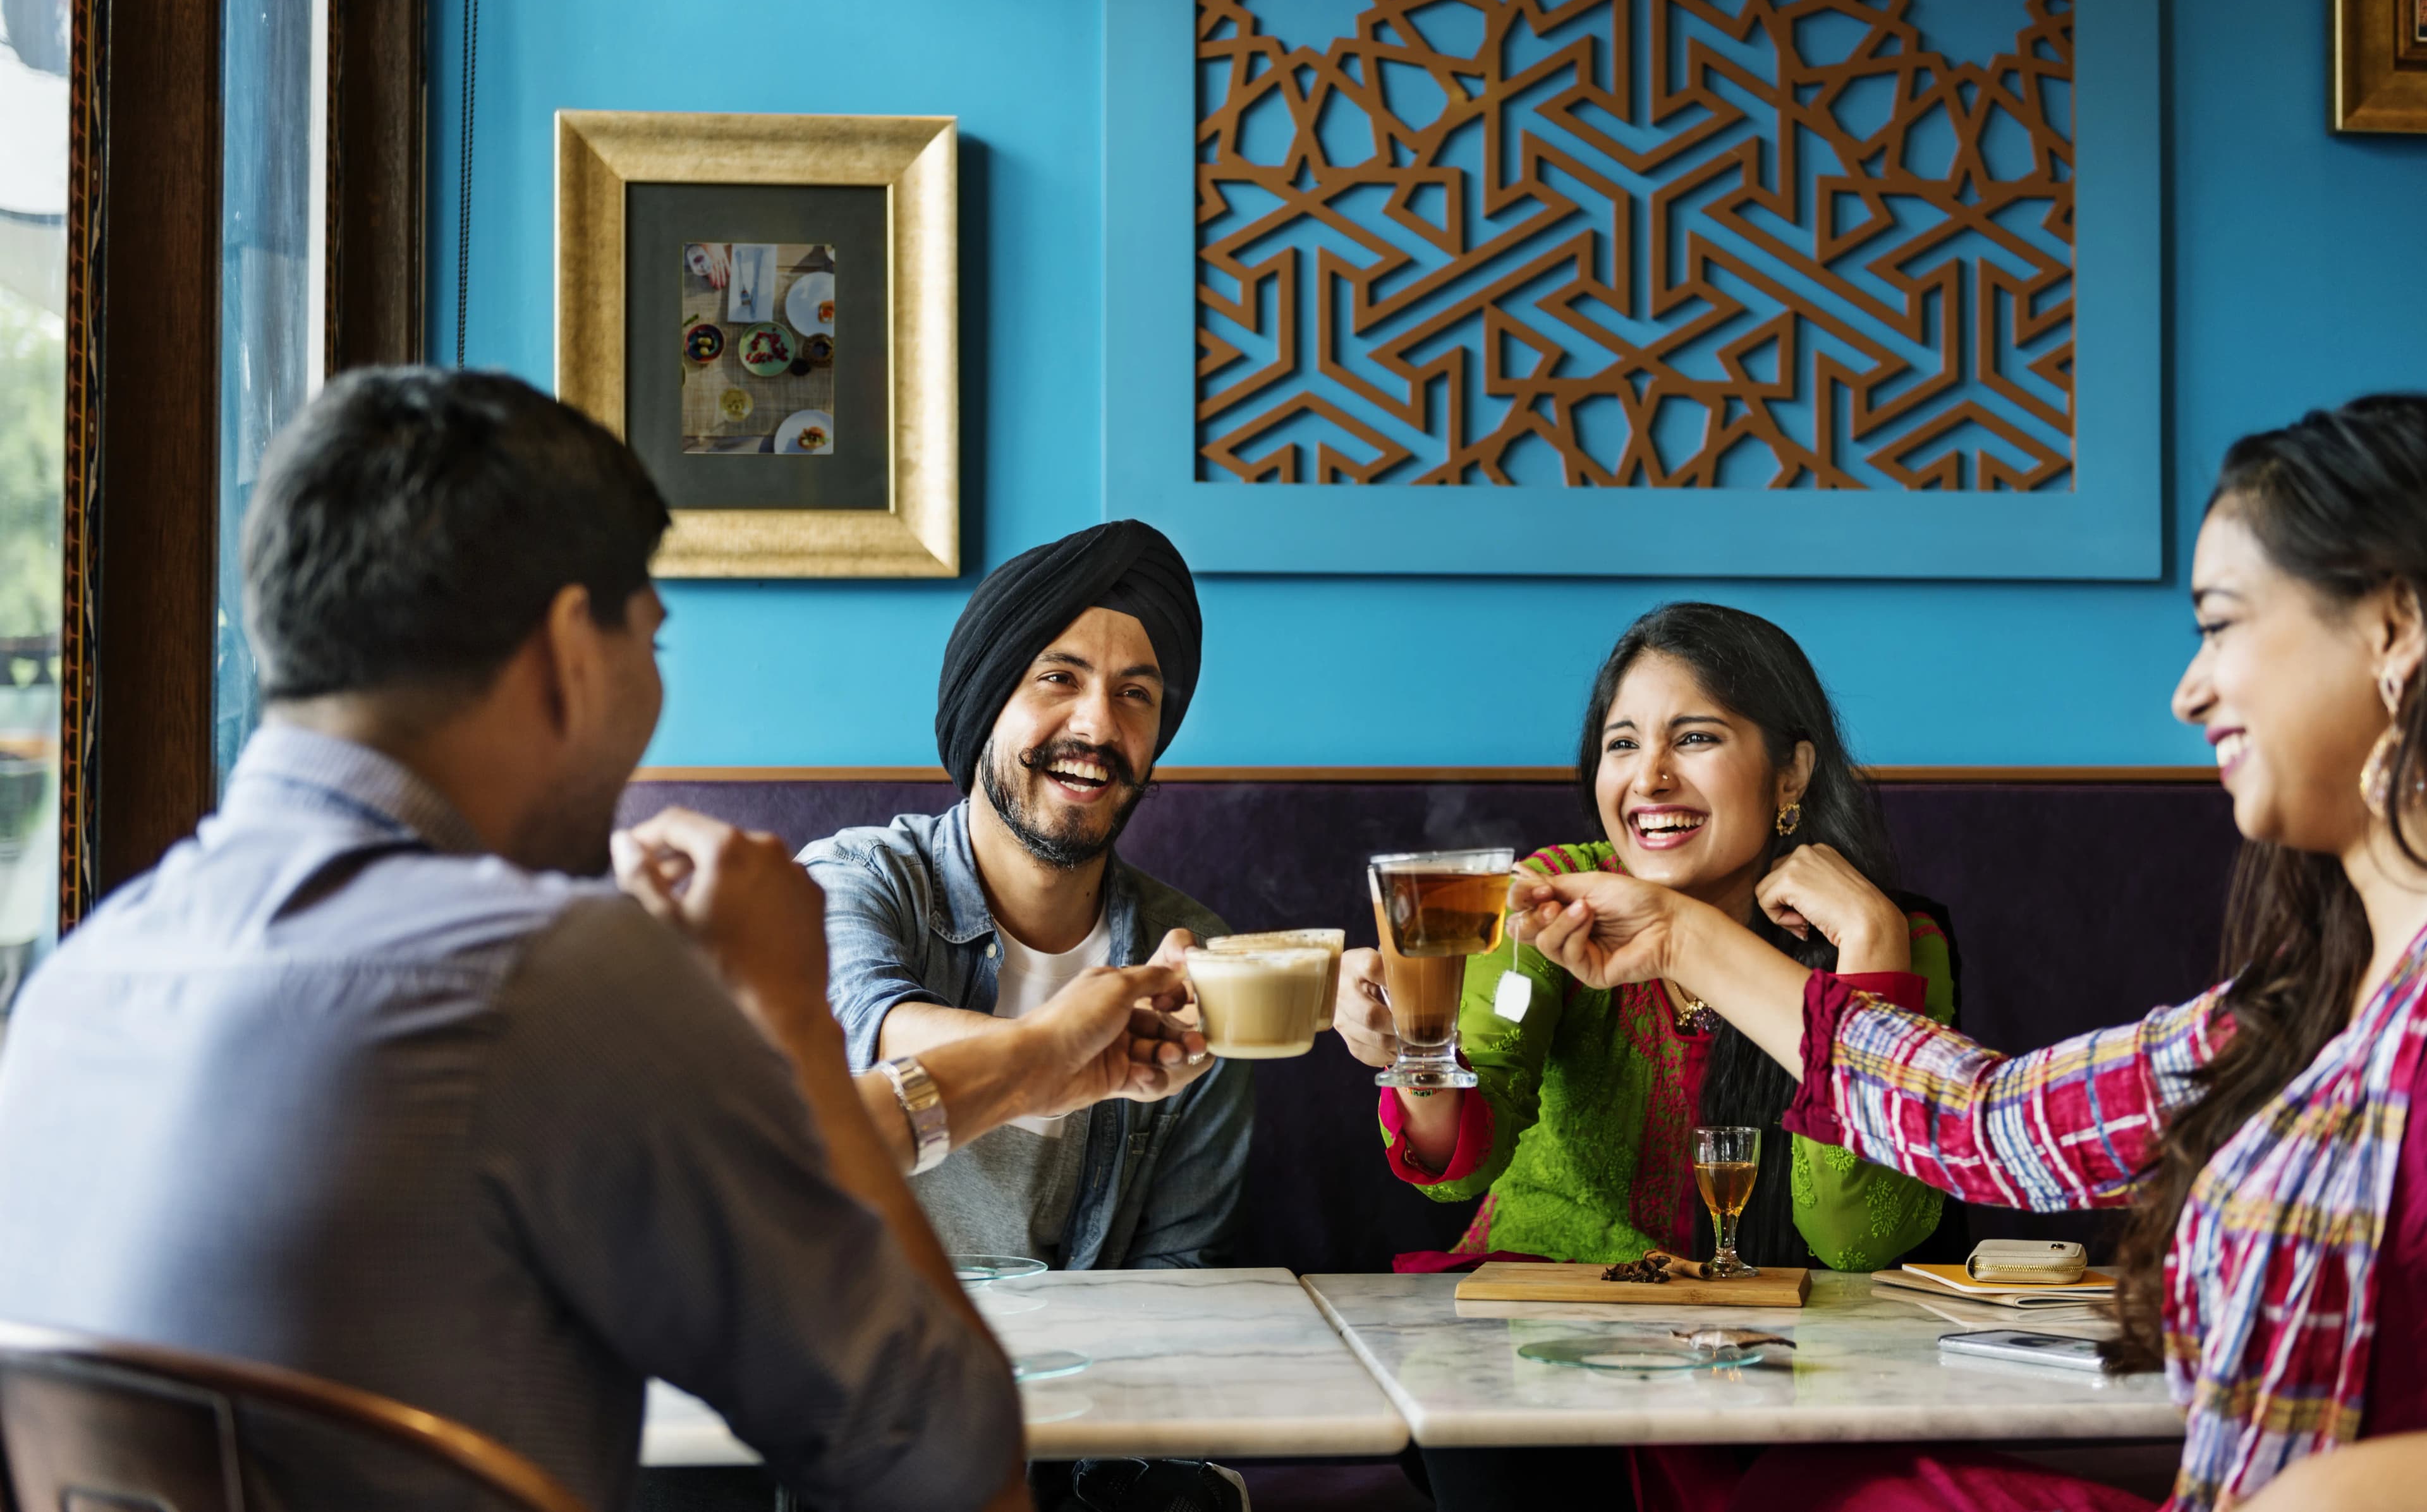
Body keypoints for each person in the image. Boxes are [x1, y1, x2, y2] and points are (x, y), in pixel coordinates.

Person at [0, 368, 1205, 1512]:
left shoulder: (74, 984)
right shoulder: (559, 982)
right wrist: (783, 1010)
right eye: (652, 637)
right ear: (574, 649)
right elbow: (945, 1453)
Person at [1505, 394, 2427, 1512]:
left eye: (2224, 624)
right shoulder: (2300, 1011)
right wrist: (1681, 935)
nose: (2190, 689)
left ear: (2396, 626)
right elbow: (1989, 1123)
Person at [1332, 602, 1957, 1512]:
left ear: (1793, 771)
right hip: (1532, 1330)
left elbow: (1857, 1235)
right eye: (1621, 744)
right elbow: (1459, 1161)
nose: (1649, 777)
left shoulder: (1887, 935)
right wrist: (1413, 1054)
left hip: (1769, 1356)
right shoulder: (1551, 900)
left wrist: (1868, 946)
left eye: (1694, 736)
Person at [805, 520, 1251, 1276]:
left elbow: (1179, 1265)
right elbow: (868, 1023)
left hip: (1089, 1377)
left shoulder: (1192, 961)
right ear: (985, 703)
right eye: (1059, 678)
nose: (1099, 725)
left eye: (1135, 693)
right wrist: (1064, 1049)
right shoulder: (859, 878)